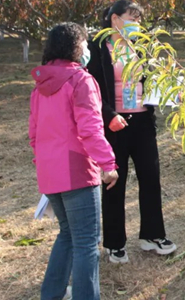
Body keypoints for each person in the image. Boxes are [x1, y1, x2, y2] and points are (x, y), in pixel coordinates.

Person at [29, 22, 119, 300]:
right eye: (84, 43)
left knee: (68, 234)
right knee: (86, 243)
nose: (86, 48)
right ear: (75, 47)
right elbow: (90, 130)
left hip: (50, 174)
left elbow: (34, 135)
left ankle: (52, 294)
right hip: (77, 172)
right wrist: (108, 164)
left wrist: (46, 164)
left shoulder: (40, 85)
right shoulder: (81, 81)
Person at [87, 0, 176, 264]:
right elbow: (90, 90)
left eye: (139, 19)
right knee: (115, 182)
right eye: (132, 18)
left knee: (151, 177)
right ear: (115, 18)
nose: (137, 23)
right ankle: (115, 243)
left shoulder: (140, 46)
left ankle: (152, 235)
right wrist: (109, 115)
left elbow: (151, 80)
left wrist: (170, 89)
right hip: (115, 124)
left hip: (142, 122)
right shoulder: (97, 47)